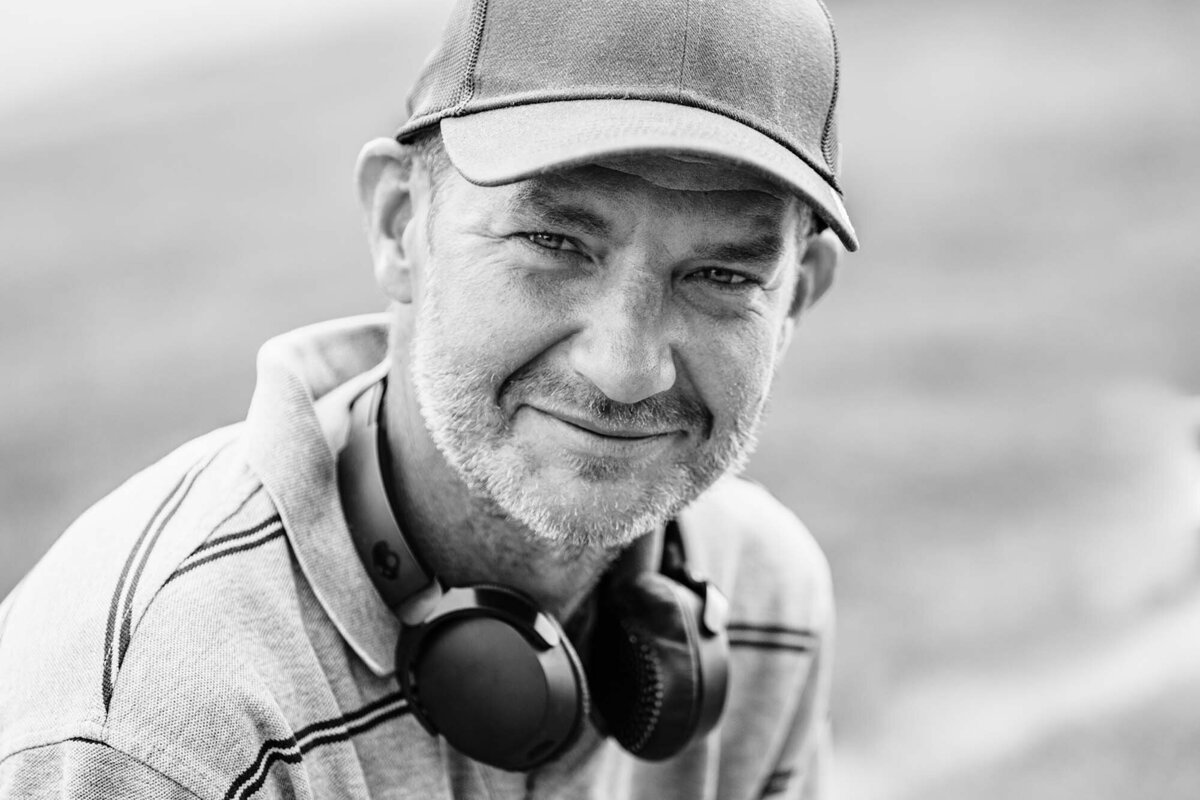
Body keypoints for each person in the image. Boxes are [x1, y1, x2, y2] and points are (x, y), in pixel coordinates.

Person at [0, 0, 859, 797]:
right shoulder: (160, 727)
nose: (625, 368)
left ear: (796, 299)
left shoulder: (761, 595)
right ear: (397, 226)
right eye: (553, 241)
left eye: (721, 275)